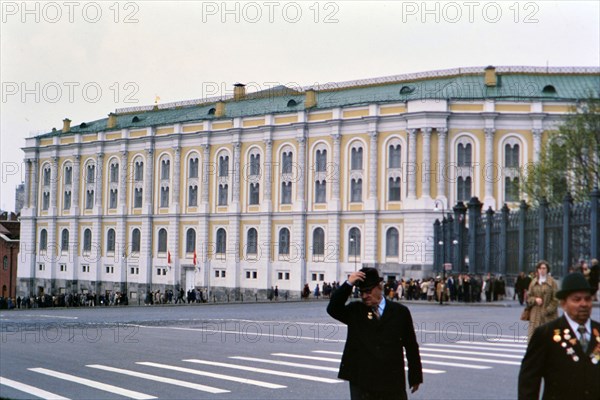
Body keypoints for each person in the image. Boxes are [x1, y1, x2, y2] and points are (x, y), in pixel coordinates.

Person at [327, 267, 423, 400]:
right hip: (363, 381)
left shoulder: (400, 312)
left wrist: (415, 376)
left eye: (368, 291)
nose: (364, 296)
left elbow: (411, 345)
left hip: (391, 380)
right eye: (361, 292)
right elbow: (333, 309)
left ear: (379, 287)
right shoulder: (356, 311)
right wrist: (348, 284)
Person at [518, 272, 600, 400]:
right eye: (576, 299)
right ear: (563, 304)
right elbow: (529, 381)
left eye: (588, 299)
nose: (584, 304)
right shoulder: (546, 334)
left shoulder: (598, 331)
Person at [525, 260, 559, 341]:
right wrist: (535, 300)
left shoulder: (552, 282)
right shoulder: (533, 282)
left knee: (549, 339)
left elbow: (556, 299)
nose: (542, 270)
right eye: (540, 268)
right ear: (537, 270)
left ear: (547, 269)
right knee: (534, 339)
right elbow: (528, 297)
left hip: (549, 316)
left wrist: (547, 310)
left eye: (544, 268)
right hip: (535, 315)